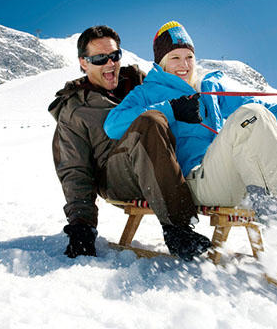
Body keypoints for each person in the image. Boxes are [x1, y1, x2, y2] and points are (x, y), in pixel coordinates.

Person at [104, 21, 277, 268]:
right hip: (196, 180)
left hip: (238, 175)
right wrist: (170, 109)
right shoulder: (148, 92)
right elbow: (113, 125)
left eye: (189, 57)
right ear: (161, 62)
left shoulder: (209, 88)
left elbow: (265, 107)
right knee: (251, 117)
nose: (184, 65)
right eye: (175, 58)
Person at [48, 25, 212, 261]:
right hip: (116, 176)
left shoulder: (138, 83)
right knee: (149, 121)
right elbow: (74, 170)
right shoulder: (75, 108)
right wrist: (82, 225)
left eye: (114, 56)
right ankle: (178, 229)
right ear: (83, 63)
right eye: (99, 59)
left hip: (165, 167)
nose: (110, 64)